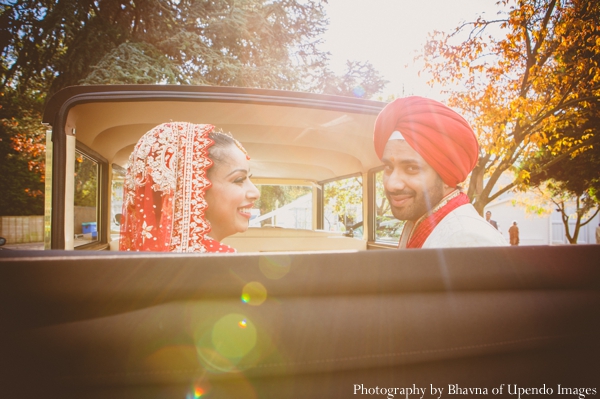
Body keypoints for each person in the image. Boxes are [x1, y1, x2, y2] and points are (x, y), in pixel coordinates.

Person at [373, 96, 508, 249]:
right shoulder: (421, 220)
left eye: (411, 168)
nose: (392, 184)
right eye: (388, 168)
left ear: (446, 176)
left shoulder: (466, 240)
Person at [120, 122, 260, 252]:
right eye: (239, 179)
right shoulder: (219, 263)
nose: (256, 192)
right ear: (197, 190)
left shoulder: (141, 258)